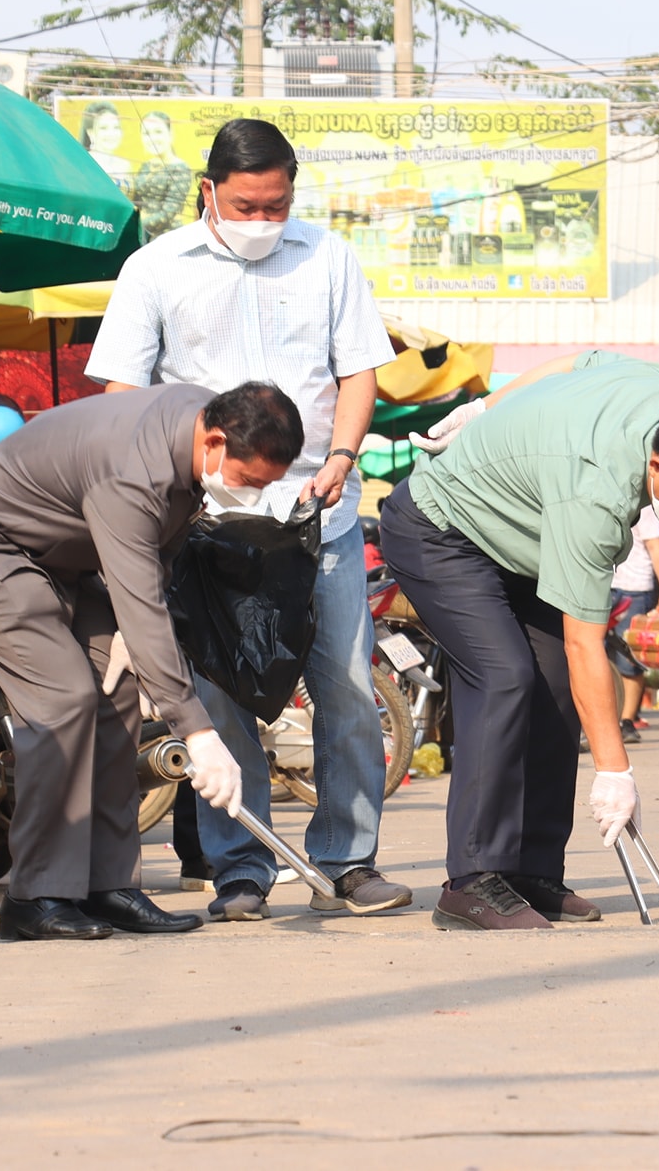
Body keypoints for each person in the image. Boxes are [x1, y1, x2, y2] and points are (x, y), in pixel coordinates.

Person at [87, 116, 408, 923]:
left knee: (342, 684)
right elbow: (121, 396)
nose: (263, 220)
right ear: (209, 192)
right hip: (205, 522)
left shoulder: (329, 256)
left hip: (316, 511)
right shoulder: (154, 268)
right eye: (246, 205)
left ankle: (349, 858)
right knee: (219, 691)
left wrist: (341, 456)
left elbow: (358, 369)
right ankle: (241, 867)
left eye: (277, 204)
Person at [381, 353, 659, 930]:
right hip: (444, 529)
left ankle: (529, 869)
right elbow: (588, 645)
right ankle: (471, 880)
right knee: (505, 676)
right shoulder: (596, 497)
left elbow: (571, 361)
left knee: (555, 687)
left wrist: (489, 405)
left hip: (526, 537)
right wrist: (615, 770)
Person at [0, 382, 302, 941]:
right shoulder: (134, 470)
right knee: (64, 700)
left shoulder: (199, 426)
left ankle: (107, 885)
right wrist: (197, 731)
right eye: (248, 480)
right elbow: (140, 599)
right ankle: (36, 897)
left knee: (117, 692)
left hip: (62, 561)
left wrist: (133, 638)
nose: (250, 494)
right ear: (215, 440)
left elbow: (160, 554)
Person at [609, 505, 659, 742]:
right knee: (598, 656)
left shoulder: (644, 506)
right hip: (603, 583)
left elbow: (656, 547)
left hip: (634, 588)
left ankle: (627, 721)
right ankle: (603, 721)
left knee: (630, 659)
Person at [130, 110, 194, 242]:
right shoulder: (146, 166)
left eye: (158, 132)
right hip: (141, 238)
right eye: (147, 133)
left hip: (167, 239)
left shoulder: (180, 169)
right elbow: (136, 201)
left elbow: (167, 213)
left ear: (170, 134)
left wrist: (133, 226)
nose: (152, 138)